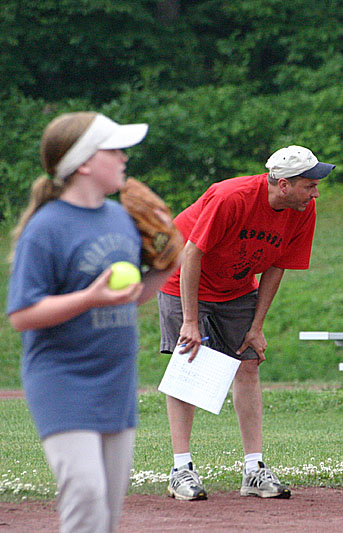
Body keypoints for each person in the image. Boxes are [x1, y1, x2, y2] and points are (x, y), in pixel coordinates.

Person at [6, 112, 179, 533]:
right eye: (114, 149)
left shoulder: (119, 218)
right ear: (84, 162)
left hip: (116, 379)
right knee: (85, 492)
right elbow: (22, 315)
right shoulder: (45, 229)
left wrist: (168, 263)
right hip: (62, 378)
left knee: (108, 509)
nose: (124, 157)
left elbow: (131, 295)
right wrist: (89, 297)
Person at [158, 145, 334, 501]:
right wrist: (190, 320)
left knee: (249, 363)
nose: (315, 192)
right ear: (283, 184)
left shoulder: (302, 210)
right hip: (183, 277)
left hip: (235, 286)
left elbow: (277, 264)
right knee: (188, 364)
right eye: (308, 184)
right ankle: (181, 469)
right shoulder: (231, 197)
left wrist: (257, 325)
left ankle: (254, 469)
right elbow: (191, 253)